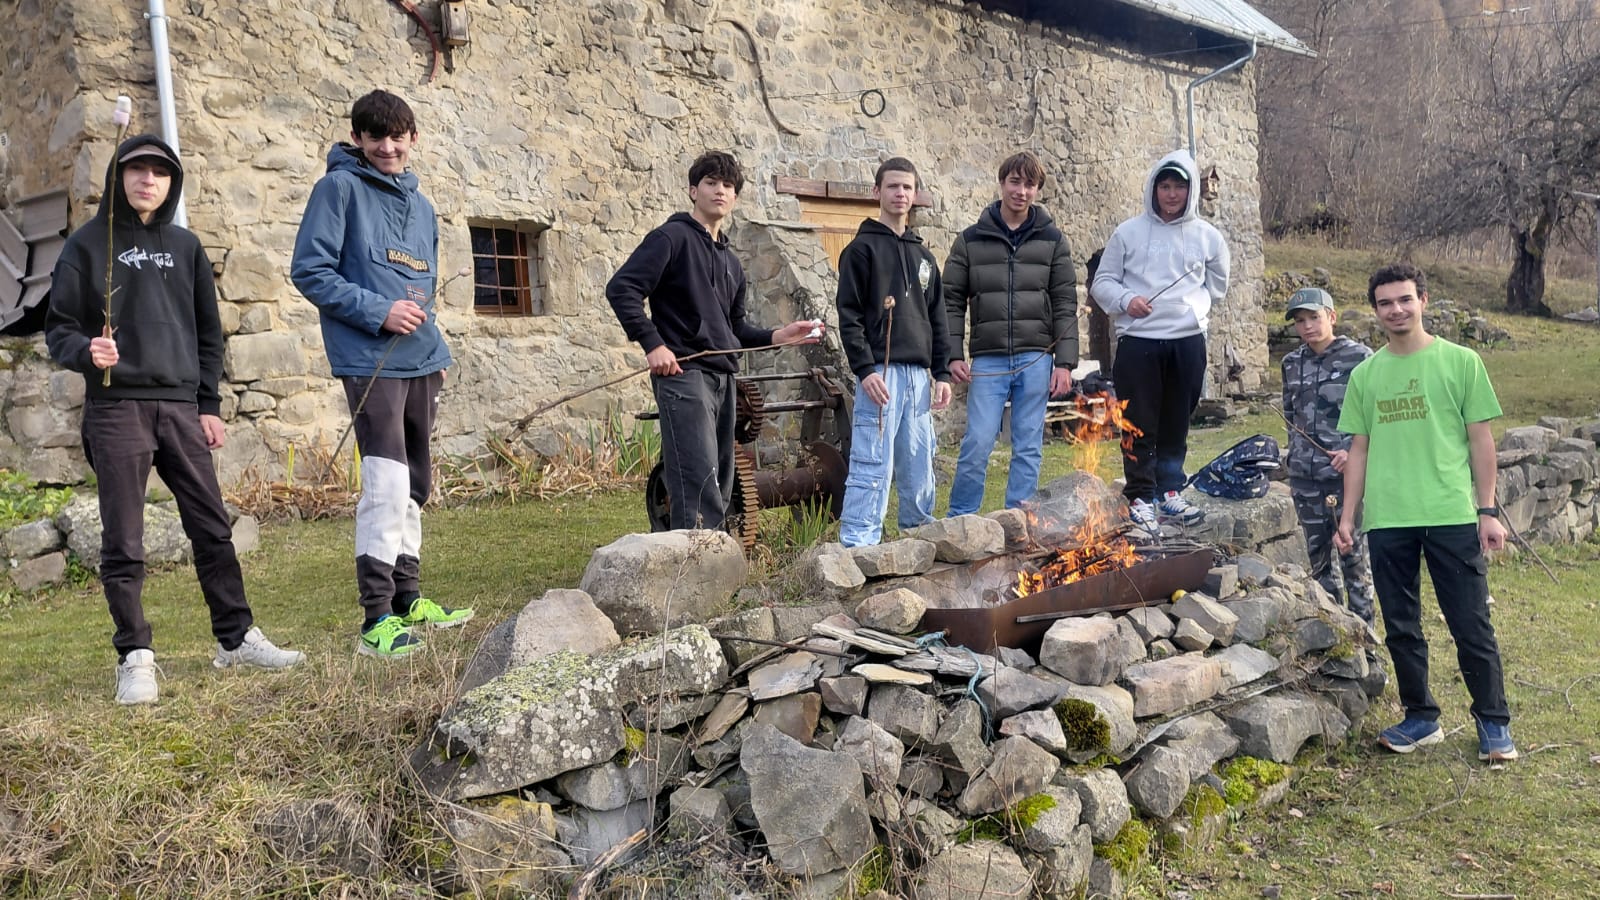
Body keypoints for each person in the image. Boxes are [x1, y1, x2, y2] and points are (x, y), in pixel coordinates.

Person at [46, 135, 303, 704]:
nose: (148, 181)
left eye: (159, 173)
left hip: (181, 409)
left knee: (212, 527)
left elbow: (209, 336)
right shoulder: (88, 246)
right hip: (116, 409)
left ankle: (235, 639)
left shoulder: (185, 247)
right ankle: (135, 656)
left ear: (171, 183)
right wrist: (87, 350)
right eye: (136, 170)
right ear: (119, 176)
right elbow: (57, 327)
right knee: (125, 538)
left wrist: (207, 404)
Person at [291, 89, 474, 659]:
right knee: (387, 482)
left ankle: (408, 597)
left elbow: (423, 280)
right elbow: (310, 271)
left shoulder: (421, 205)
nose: (388, 147)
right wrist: (379, 312)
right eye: (376, 137)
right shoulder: (338, 189)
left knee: (416, 482)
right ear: (359, 140)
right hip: (369, 360)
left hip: (423, 360)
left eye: (398, 137)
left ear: (413, 139)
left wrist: (430, 341)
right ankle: (376, 620)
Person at [1335, 263, 1515, 762]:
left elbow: (1481, 442)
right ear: (1375, 311)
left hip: (1452, 513)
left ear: (1423, 300)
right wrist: (1349, 516)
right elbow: (1360, 450)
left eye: (1404, 300)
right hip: (1389, 519)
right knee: (1401, 624)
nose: (1396, 310)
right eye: (1385, 303)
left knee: (1470, 622)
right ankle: (1420, 717)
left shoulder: (1461, 362)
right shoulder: (1366, 375)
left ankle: (1494, 723)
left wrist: (1487, 510)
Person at [606, 151, 820, 532]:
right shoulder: (670, 239)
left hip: (723, 378)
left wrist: (778, 336)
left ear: (735, 197)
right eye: (710, 183)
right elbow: (622, 288)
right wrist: (654, 344)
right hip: (684, 375)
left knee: (721, 478)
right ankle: (695, 567)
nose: (720, 190)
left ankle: (712, 563)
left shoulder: (732, 263)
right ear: (693, 190)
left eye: (728, 185)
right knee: (696, 477)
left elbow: (733, 329)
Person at [1091, 150, 1230, 538]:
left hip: (1186, 342)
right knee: (1139, 423)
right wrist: (1126, 302)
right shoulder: (1128, 233)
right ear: (1153, 188)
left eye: (1179, 187)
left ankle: (1170, 489)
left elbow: (1216, 286)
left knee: (1175, 421)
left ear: (1192, 191)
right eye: (1164, 186)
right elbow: (1102, 283)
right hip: (1139, 341)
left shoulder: (1208, 237)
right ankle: (1140, 496)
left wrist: (1192, 311)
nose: (1171, 194)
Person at [943, 151, 1078, 515]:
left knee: (1029, 445)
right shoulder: (970, 240)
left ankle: (1020, 521)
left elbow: (1065, 302)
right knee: (978, 441)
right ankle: (960, 519)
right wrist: (952, 354)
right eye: (1015, 182)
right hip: (988, 360)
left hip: (1037, 358)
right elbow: (950, 300)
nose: (1021, 190)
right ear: (1002, 183)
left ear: (1037, 190)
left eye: (1030, 184)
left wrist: (1064, 363)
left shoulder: (1053, 240)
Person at [835, 157, 953, 547]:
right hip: (880, 376)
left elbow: (938, 318)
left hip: (919, 378)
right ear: (877, 192)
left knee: (919, 464)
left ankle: (918, 538)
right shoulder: (860, 250)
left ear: (915, 194)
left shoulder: (924, 258)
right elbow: (849, 315)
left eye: (907, 187)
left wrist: (943, 373)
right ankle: (859, 543)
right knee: (872, 463)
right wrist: (865, 369)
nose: (900, 194)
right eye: (892, 187)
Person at [1280, 287, 1375, 623]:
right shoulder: (1291, 363)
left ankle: (1365, 632)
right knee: (1318, 558)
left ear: (1332, 317)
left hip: (1344, 477)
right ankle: (1334, 629)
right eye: (1300, 321)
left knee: (1353, 556)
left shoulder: (1361, 359)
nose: (1307, 326)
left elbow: (1377, 417)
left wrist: (1352, 452)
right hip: (1305, 478)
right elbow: (1291, 417)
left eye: (1314, 318)